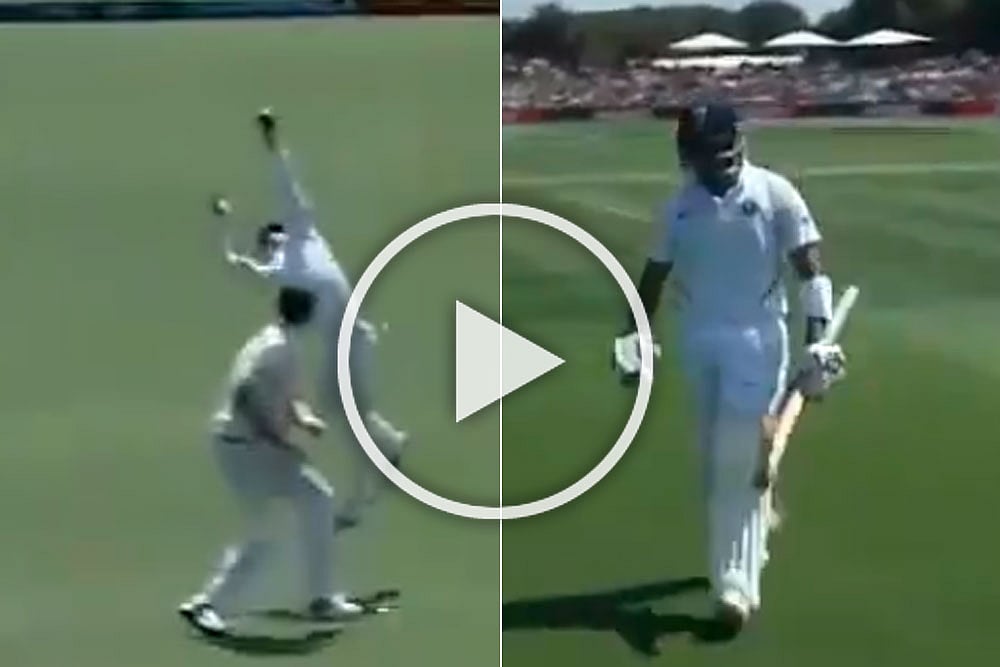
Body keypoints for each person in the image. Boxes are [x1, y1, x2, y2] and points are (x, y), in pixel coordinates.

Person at [612, 103, 846, 633]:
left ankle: (735, 588)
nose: (707, 168)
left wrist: (818, 342)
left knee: (734, 461)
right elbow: (652, 279)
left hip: (757, 339)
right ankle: (756, 522)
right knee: (712, 460)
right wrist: (634, 336)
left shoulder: (774, 194)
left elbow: (810, 272)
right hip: (699, 339)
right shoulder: (678, 208)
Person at [214, 108, 407, 529]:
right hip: (347, 345)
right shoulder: (280, 267)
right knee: (346, 413)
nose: (269, 243)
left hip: (353, 340)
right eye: (266, 242)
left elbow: (286, 185)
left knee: (350, 420)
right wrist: (222, 227)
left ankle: (362, 497)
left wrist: (272, 141)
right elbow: (236, 265)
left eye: (269, 237)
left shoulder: (302, 235)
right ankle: (390, 445)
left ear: (276, 235)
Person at [179, 287, 362, 638]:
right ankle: (207, 605)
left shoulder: (280, 344)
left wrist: (304, 420)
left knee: (316, 498)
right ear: (309, 315)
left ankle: (321, 598)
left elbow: (290, 396)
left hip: (244, 446)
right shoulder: (274, 348)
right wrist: (274, 438)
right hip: (244, 449)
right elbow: (244, 393)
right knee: (268, 532)